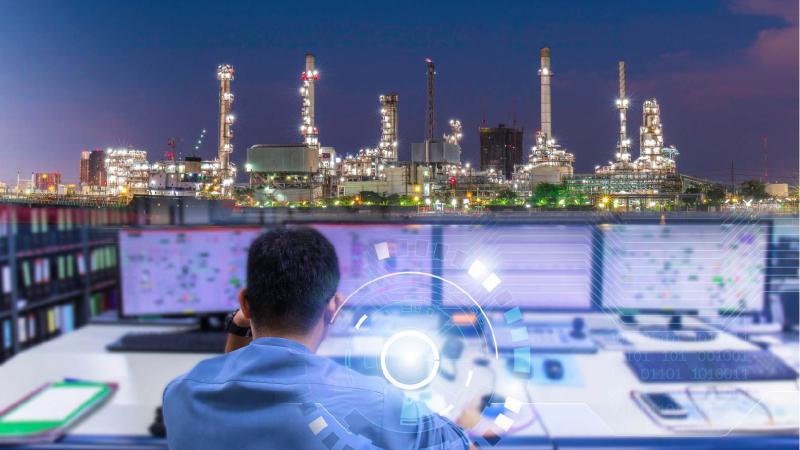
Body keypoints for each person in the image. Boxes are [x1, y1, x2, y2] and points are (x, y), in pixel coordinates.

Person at [163, 227, 471, 450]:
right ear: (333, 307)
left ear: (245, 303)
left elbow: (229, 371)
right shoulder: (378, 404)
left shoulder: (181, 394)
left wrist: (239, 327)